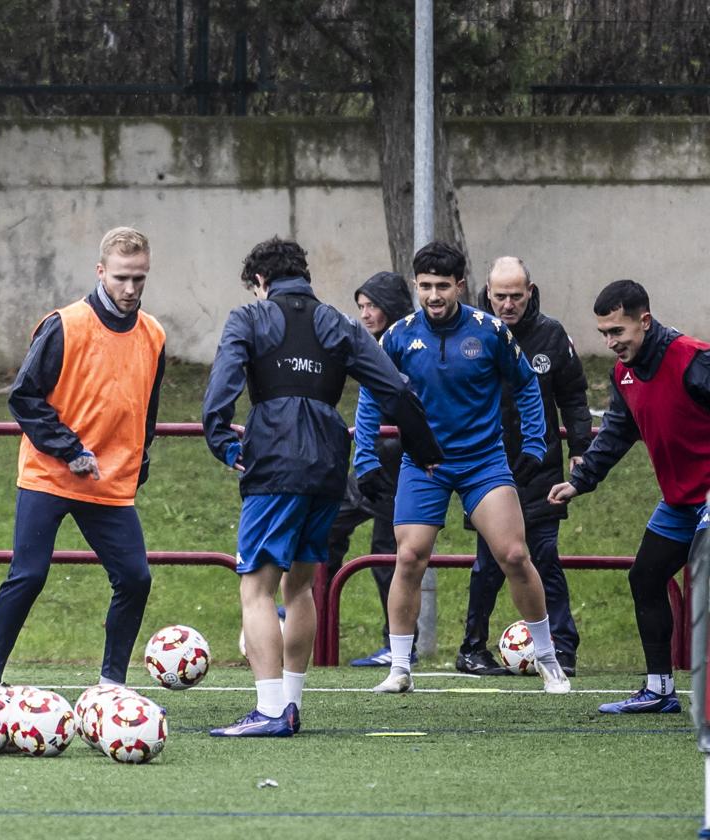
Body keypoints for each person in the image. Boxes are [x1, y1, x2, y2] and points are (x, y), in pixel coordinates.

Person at [203, 238, 442, 737]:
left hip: (275, 459)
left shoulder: (248, 318)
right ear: (304, 276)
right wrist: (424, 452)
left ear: (260, 282)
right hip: (329, 462)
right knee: (301, 585)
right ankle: (290, 704)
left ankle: (270, 711)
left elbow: (220, 392)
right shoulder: (342, 322)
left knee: (258, 588)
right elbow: (395, 388)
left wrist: (225, 444)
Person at [355, 240, 571, 695]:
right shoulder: (397, 336)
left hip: (483, 463)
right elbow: (373, 395)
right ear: (416, 286)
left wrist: (535, 445)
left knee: (514, 555)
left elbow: (528, 386)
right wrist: (366, 458)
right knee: (409, 557)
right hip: (424, 464)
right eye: (425, 286)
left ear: (460, 286)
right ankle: (399, 667)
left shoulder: (490, 331)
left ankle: (549, 659)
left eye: (443, 286)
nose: (434, 296)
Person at [0, 226, 165, 690]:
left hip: (109, 482)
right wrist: (70, 450)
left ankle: (111, 686)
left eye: (139, 278)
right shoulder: (66, 324)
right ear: (101, 272)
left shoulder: (154, 334)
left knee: (135, 579)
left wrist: (139, 464)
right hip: (49, 475)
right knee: (29, 575)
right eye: (121, 277)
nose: (130, 288)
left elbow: (147, 410)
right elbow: (24, 398)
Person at [549, 279, 710, 713]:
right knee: (644, 578)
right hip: (681, 500)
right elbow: (618, 432)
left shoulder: (694, 361)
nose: (609, 341)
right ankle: (659, 691)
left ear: (644, 320)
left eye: (617, 332)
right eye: (604, 333)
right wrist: (580, 482)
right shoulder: (623, 373)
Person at [455, 257, 591, 677]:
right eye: (500, 296)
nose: (508, 304)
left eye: (516, 295)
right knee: (489, 562)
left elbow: (574, 396)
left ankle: (562, 648)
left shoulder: (551, 335)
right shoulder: (470, 332)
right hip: (485, 464)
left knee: (545, 556)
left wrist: (580, 449)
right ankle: (471, 649)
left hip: (540, 467)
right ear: (487, 293)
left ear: (530, 291)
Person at [325, 271, 418, 668]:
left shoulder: (412, 342)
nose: (364, 314)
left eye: (372, 306)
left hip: (398, 460)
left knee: (386, 551)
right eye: (360, 306)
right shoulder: (368, 344)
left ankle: (397, 645)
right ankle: (313, 612)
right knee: (327, 527)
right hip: (370, 458)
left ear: (391, 307)